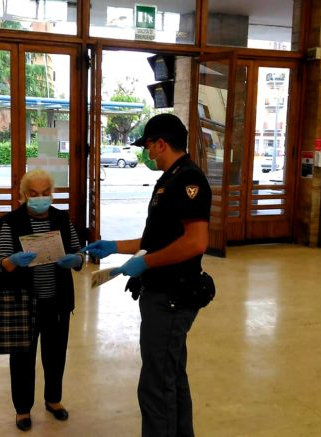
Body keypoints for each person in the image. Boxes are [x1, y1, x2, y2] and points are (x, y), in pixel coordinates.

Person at [83, 113, 212, 437]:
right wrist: (115, 246)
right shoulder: (169, 179)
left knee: (156, 385)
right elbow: (157, 239)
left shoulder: (188, 179)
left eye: (149, 146)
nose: (147, 152)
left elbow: (196, 242)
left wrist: (147, 263)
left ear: (161, 144)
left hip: (172, 296)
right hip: (160, 293)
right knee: (171, 375)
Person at [0, 168, 84, 432]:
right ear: (23, 194)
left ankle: (53, 399)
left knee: (55, 354)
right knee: (22, 358)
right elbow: (1, 264)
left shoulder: (61, 219)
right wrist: (13, 261)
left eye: (45, 193)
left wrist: (75, 259)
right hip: (22, 303)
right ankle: (23, 409)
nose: (40, 198)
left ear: (52, 193)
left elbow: (79, 253)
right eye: (33, 194)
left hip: (57, 301)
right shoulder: (10, 222)